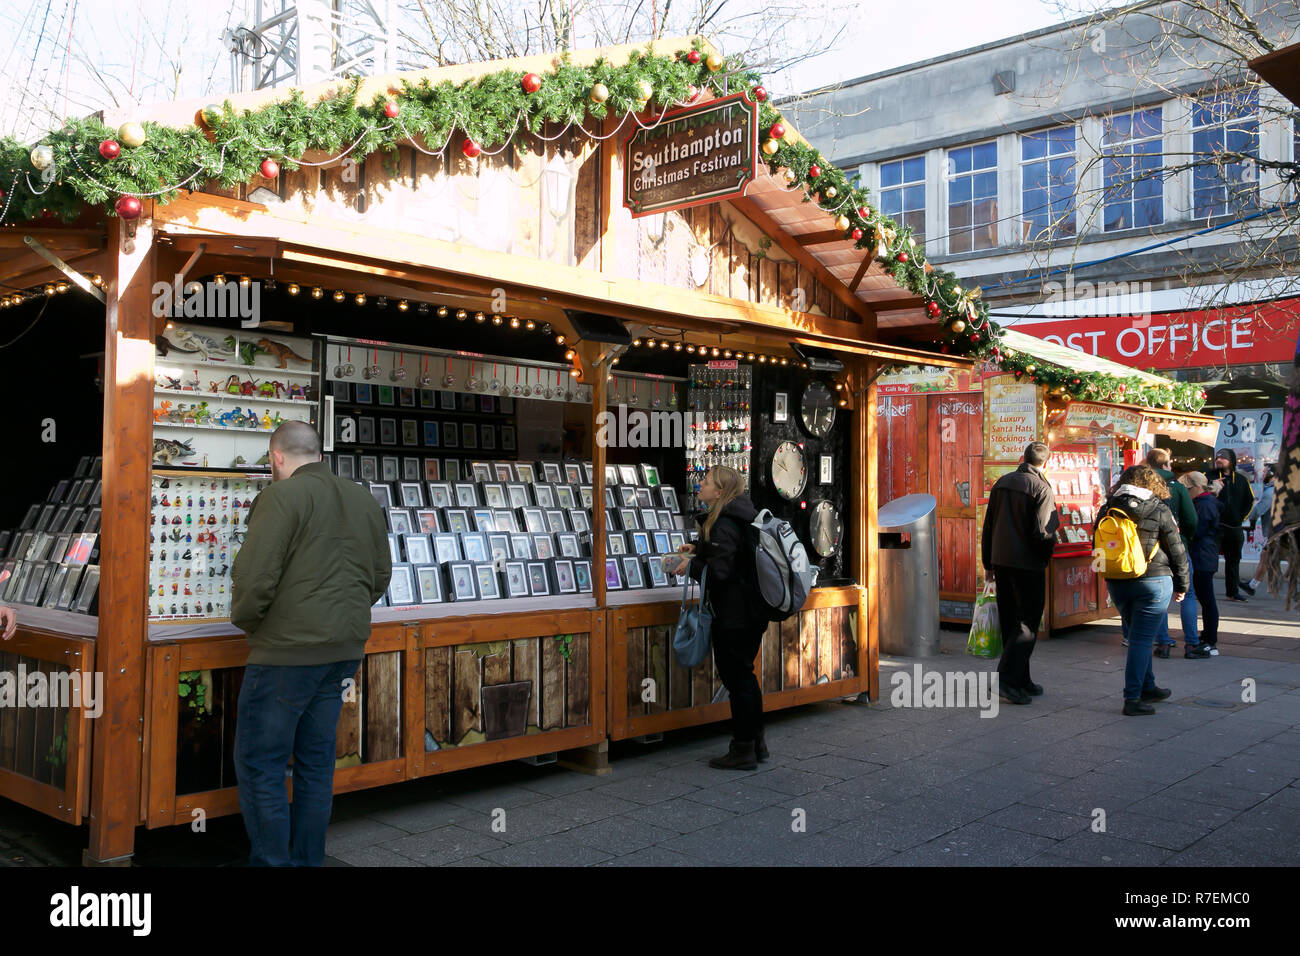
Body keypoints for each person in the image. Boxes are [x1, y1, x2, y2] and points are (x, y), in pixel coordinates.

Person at [231, 421, 392, 866]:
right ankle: (307, 860)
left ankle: (271, 863)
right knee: (316, 761)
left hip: (286, 652)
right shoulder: (362, 499)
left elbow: (254, 579)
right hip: (344, 650)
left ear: (276, 458)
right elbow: (380, 576)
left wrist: (251, 624)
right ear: (319, 456)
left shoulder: (280, 498)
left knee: (261, 763)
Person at [665, 465, 769, 770]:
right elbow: (730, 556)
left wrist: (690, 567)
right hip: (751, 612)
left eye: (707, 482)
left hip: (734, 615)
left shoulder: (724, 522)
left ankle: (743, 750)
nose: (701, 485)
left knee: (737, 679)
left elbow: (722, 571)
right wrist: (697, 549)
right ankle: (755, 742)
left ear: (720, 492)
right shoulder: (739, 517)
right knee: (745, 677)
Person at [1097, 465, 1191, 715]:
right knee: (1141, 640)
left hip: (1117, 581)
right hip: (1153, 581)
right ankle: (1132, 698)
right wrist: (1183, 584)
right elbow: (1176, 549)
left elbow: (1097, 541)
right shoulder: (1159, 508)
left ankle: (1148, 686)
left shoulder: (1108, 507)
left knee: (1139, 635)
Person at [981, 441, 1058, 705]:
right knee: (1027, 623)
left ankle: (1021, 679)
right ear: (1045, 462)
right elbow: (1044, 531)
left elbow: (988, 524)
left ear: (1022, 457)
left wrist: (988, 564)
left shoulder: (1002, 482)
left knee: (1011, 620)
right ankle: (1007, 680)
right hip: (1027, 564)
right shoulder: (1041, 487)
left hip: (1002, 561)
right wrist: (1044, 556)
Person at [1146, 448, 1201, 658]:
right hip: (1178, 546)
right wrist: (1186, 538)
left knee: (1159, 597)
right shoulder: (1177, 487)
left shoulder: (1143, 486)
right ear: (1165, 465)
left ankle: (1163, 642)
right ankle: (1192, 644)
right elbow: (1191, 520)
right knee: (1187, 595)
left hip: (1153, 550)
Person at [1182, 471, 1223, 656]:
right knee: (1206, 600)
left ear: (1197, 487)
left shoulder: (1205, 505)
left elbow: (1198, 531)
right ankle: (1207, 637)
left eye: (1188, 489)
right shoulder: (1206, 502)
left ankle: (1210, 640)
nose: (1187, 493)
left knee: (1207, 600)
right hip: (1204, 554)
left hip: (1202, 556)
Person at [1212, 448, 1254, 602]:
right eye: (1217, 458)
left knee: (1233, 561)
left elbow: (1249, 501)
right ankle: (1204, 591)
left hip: (1234, 527)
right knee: (1210, 561)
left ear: (1231, 461)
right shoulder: (1209, 477)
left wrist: (1240, 518)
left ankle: (1232, 592)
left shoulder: (1242, 480)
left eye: (1223, 458)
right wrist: (1211, 486)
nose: (1219, 460)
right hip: (1215, 526)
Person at [1242, 463, 1277, 596]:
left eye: (1266, 471)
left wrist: (1247, 518)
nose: (1264, 473)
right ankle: (1252, 585)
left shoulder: (1271, 491)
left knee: (1265, 557)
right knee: (1265, 557)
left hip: (1277, 533)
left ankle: (1252, 585)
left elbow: (1258, 511)